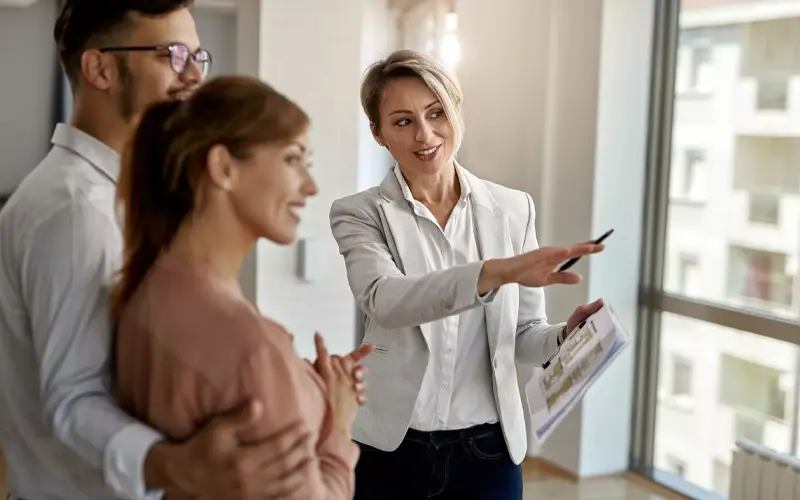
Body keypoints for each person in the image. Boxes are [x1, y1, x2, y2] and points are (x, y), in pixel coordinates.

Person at [0, 2, 365, 498]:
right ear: (100, 68)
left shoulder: (138, 201)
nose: (194, 74)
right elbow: (74, 398)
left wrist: (294, 384)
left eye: (198, 55)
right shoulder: (74, 210)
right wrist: (175, 465)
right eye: (171, 54)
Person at [329, 49, 607, 500]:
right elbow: (386, 300)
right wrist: (497, 272)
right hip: (389, 449)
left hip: (488, 453)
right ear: (377, 133)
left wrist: (564, 337)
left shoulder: (514, 209)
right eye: (402, 121)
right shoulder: (359, 214)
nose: (425, 134)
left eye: (437, 112)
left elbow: (523, 334)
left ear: (456, 109)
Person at [112, 74, 364, 500]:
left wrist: (302, 380)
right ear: (224, 168)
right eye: (292, 159)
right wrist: (339, 423)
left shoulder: (148, 292)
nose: (311, 185)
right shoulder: (252, 349)